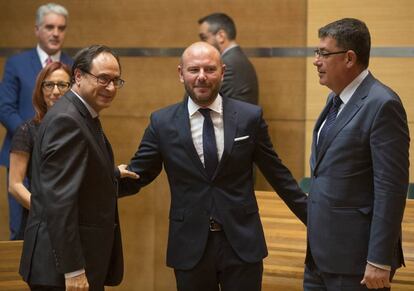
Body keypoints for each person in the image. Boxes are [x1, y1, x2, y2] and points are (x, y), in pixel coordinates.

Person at [124, 42, 307, 291]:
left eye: (209, 69)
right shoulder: (162, 122)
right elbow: (138, 174)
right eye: (193, 70)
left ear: (223, 72)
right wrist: (100, 181)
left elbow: (278, 174)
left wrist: (316, 219)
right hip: (190, 246)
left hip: (242, 244)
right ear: (181, 74)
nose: (201, 77)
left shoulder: (248, 117)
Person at [19, 45, 139, 291]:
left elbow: (75, 177)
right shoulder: (68, 120)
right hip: (61, 270)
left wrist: (112, 174)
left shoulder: (81, 114)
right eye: (103, 79)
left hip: (69, 263)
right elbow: (59, 200)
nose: (111, 88)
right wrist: (73, 270)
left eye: (116, 80)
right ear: (78, 76)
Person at [305, 18, 409, 290]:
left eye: (324, 53)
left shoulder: (382, 103)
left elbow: (390, 189)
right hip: (319, 259)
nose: (316, 60)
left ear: (349, 58)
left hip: (358, 263)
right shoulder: (334, 100)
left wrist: (379, 259)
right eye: (317, 53)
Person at [0, 2, 73, 240]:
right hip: (23, 157)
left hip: (62, 158)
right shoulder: (17, 64)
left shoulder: (74, 67)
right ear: (37, 29)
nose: (55, 33)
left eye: (61, 28)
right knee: (21, 229)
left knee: (60, 227)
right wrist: (32, 139)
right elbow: (5, 107)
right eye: (49, 27)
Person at [8, 61, 71, 239]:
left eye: (62, 85)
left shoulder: (80, 130)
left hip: (73, 221)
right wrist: (44, 212)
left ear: (72, 89)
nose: (56, 91)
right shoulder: (26, 130)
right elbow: (15, 185)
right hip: (39, 223)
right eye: (49, 84)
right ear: (40, 90)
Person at [198, 13, 259, 105]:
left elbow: (199, 100)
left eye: (204, 38)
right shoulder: (237, 58)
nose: (202, 44)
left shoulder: (228, 64)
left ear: (221, 36)